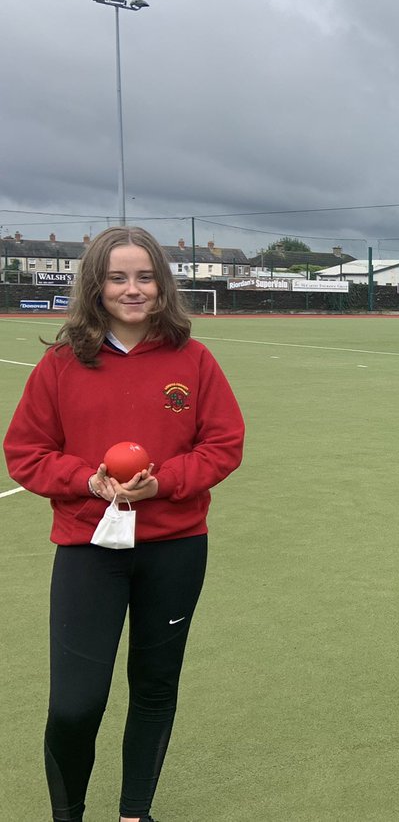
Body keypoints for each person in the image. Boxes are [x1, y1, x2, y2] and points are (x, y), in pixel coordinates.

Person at [4, 226, 245, 822]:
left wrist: (162, 483)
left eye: (144, 277)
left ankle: (135, 812)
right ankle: (69, 814)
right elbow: (26, 452)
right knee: (75, 704)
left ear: (162, 286)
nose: (132, 289)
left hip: (175, 548)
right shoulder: (62, 363)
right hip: (90, 549)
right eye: (117, 277)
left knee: (155, 686)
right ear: (95, 285)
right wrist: (88, 479)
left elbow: (224, 444)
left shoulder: (193, 360)